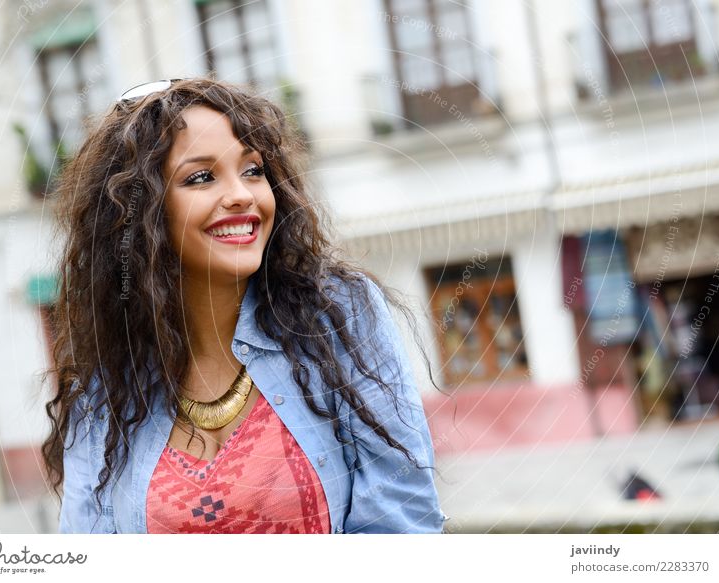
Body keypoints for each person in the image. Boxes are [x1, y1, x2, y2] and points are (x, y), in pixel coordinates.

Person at [41, 77, 446, 534]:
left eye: (253, 170)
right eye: (201, 177)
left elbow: (402, 515)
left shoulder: (338, 315)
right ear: (139, 215)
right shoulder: (106, 387)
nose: (242, 194)